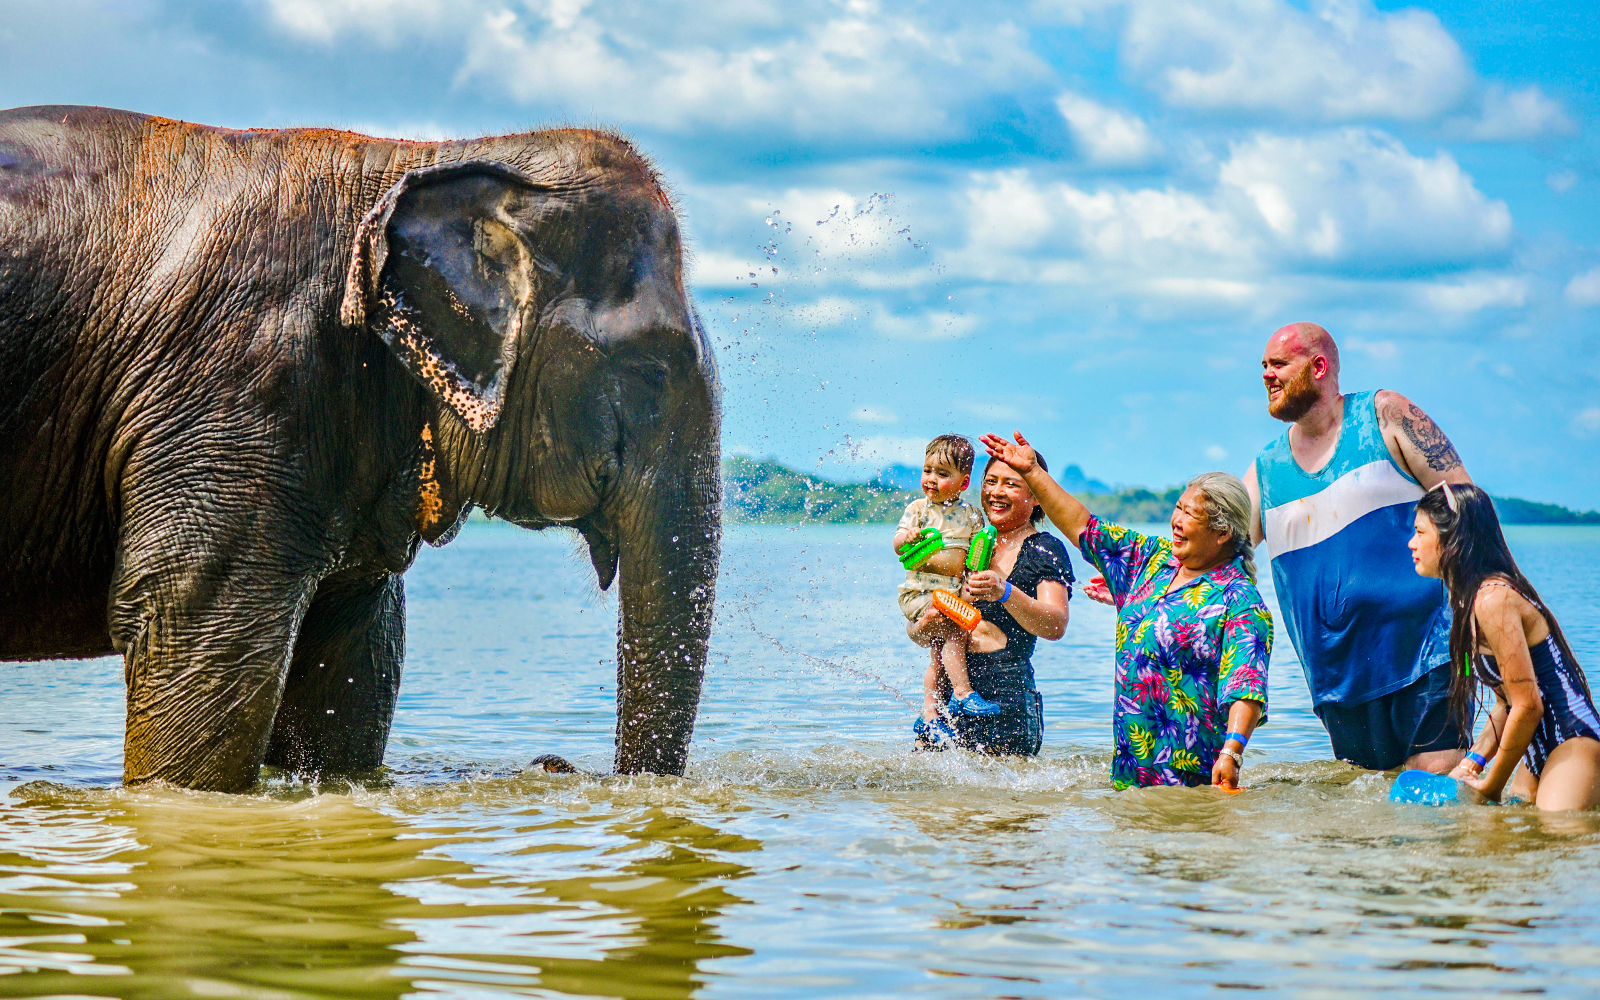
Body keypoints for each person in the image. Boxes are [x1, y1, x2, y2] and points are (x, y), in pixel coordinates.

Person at [983, 432, 1271, 789]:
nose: (1176, 521)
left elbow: (1247, 687)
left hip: (1194, 783)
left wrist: (1233, 751)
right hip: (1128, 778)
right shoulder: (1151, 561)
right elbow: (1083, 527)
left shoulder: (1239, 601)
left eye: (1190, 515)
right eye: (1178, 507)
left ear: (1222, 532)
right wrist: (1032, 471)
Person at [1246, 322, 1469, 773]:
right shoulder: (1265, 469)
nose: (1267, 375)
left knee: (1428, 797)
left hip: (1426, 655)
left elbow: (1466, 504)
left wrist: (1488, 607)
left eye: (1279, 364)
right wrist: (1146, 584)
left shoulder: (1385, 415)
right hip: (1336, 679)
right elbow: (1220, 552)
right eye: (1264, 366)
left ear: (1319, 366)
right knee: (1367, 821)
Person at [1410, 483, 1600, 810]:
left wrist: (1490, 786)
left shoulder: (1494, 599)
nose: (1411, 543)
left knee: (1556, 828)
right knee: (1511, 839)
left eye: (1419, 532)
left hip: (1571, 739)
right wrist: (1471, 764)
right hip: (1533, 748)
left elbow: (1528, 706)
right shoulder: (1465, 606)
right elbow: (1505, 704)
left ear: (1452, 540)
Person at [917, 451, 1071, 754]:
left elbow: (1055, 625)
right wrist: (923, 625)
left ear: (1037, 496)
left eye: (1011, 484)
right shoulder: (966, 542)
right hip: (946, 703)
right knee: (929, 801)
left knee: (1002, 800)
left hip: (1005, 702)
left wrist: (1005, 591)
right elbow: (921, 634)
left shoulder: (1044, 548)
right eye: (990, 482)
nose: (996, 492)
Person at [893, 435, 1001, 742]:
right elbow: (898, 544)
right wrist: (909, 537)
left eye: (943, 474)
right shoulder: (918, 509)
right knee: (954, 633)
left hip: (950, 594)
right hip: (919, 593)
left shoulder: (970, 515)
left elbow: (978, 554)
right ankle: (964, 694)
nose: (931, 479)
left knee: (939, 656)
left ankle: (930, 715)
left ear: (964, 482)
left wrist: (983, 558)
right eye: (928, 471)